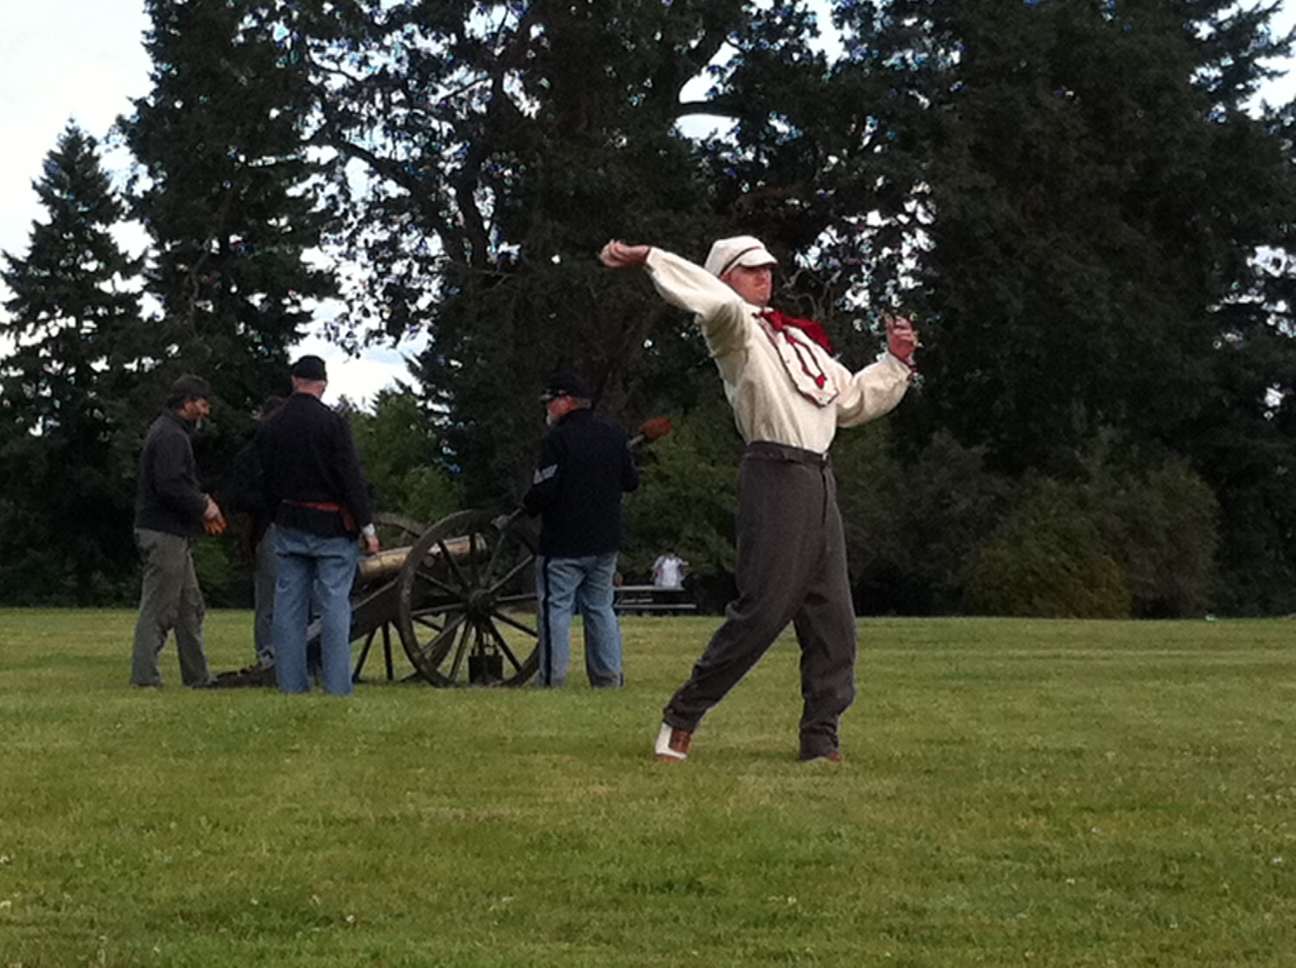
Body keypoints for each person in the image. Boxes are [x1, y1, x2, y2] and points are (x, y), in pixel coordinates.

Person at [599, 235, 918, 762]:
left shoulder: (799, 341)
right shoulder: (734, 330)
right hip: (776, 474)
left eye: (767, 268)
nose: (764, 277)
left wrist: (895, 362)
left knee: (833, 620)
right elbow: (715, 302)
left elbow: (851, 400)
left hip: (818, 477)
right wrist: (652, 257)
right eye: (750, 270)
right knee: (763, 612)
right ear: (724, 278)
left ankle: (821, 739)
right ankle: (682, 715)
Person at [254, 356, 379, 695]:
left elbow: (264, 480)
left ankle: (291, 684)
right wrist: (367, 527)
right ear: (322, 384)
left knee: (288, 607)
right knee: (335, 605)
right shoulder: (333, 423)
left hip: (288, 522)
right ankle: (337, 685)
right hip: (332, 526)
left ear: (294, 381)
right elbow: (350, 477)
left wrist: (277, 514)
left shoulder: (272, 426)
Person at [522, 366, 640, 687]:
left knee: (555, 611)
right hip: (605, 541)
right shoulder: (614, 434)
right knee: (601, 608)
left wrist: (526, 506)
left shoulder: (556, 440)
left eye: (551, 401)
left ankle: (552, 679)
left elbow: (545, 490)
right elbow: (631, 482)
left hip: (563, 543)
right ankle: (608, 677)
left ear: (567, 401)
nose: (548, 408)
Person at [130, 375, 225, 688]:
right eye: (202, 403)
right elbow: (170, 484)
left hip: (172, 532)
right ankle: (145, 677)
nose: (206, 410)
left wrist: (201, 499)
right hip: (164, 532)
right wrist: (203, 508)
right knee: (160, 606)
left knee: (189, 606)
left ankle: (198, 676)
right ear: (186, 403)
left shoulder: (171, 432)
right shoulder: (171, 435)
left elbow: (179, 481)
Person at [223, 394, 285, 677]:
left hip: (288, 525)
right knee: (269, 599)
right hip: (267, 527)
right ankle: (267, 658)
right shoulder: (250, 455)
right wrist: (269, 503)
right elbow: (236, 497)